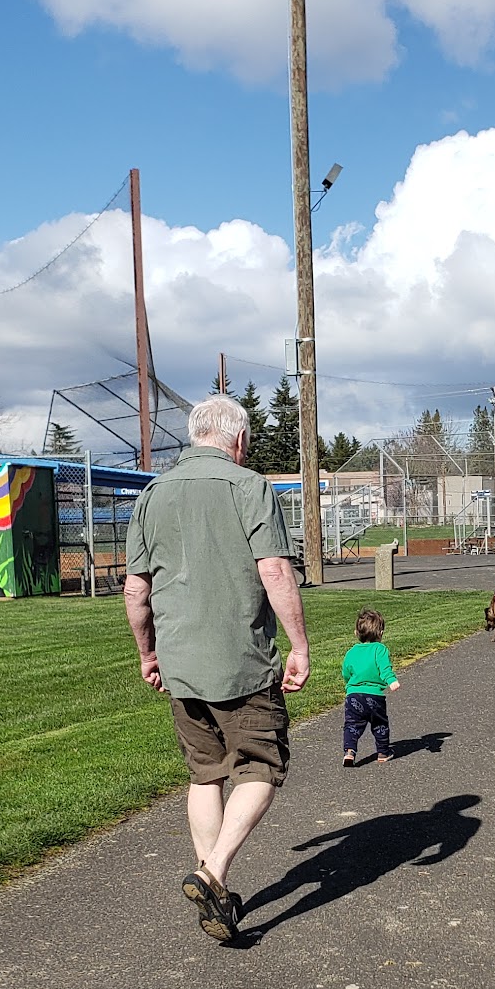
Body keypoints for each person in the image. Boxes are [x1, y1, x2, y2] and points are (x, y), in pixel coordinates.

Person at [122, 393, 310, 942]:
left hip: (181, 664)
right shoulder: (251, 488)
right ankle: (213, 872)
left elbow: (137, 590)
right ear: (241, 440)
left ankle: (217, 899)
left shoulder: (152, 495)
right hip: (241, 663)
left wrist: (147, 653)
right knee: (261, 765)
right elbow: (274, 570)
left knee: (205, 773)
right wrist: (298, 646)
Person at [341, 607, 400, 766]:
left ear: (356, 633)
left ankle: (349, 751)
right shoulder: (380, 649)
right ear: (380, 633)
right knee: (380, 724)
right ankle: (383, 752)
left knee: (352, 725)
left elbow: (346, 672)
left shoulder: (351, 652)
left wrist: (349, 685)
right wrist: (391, 680)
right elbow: (384, 667)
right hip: (374, 696)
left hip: (353, 695)